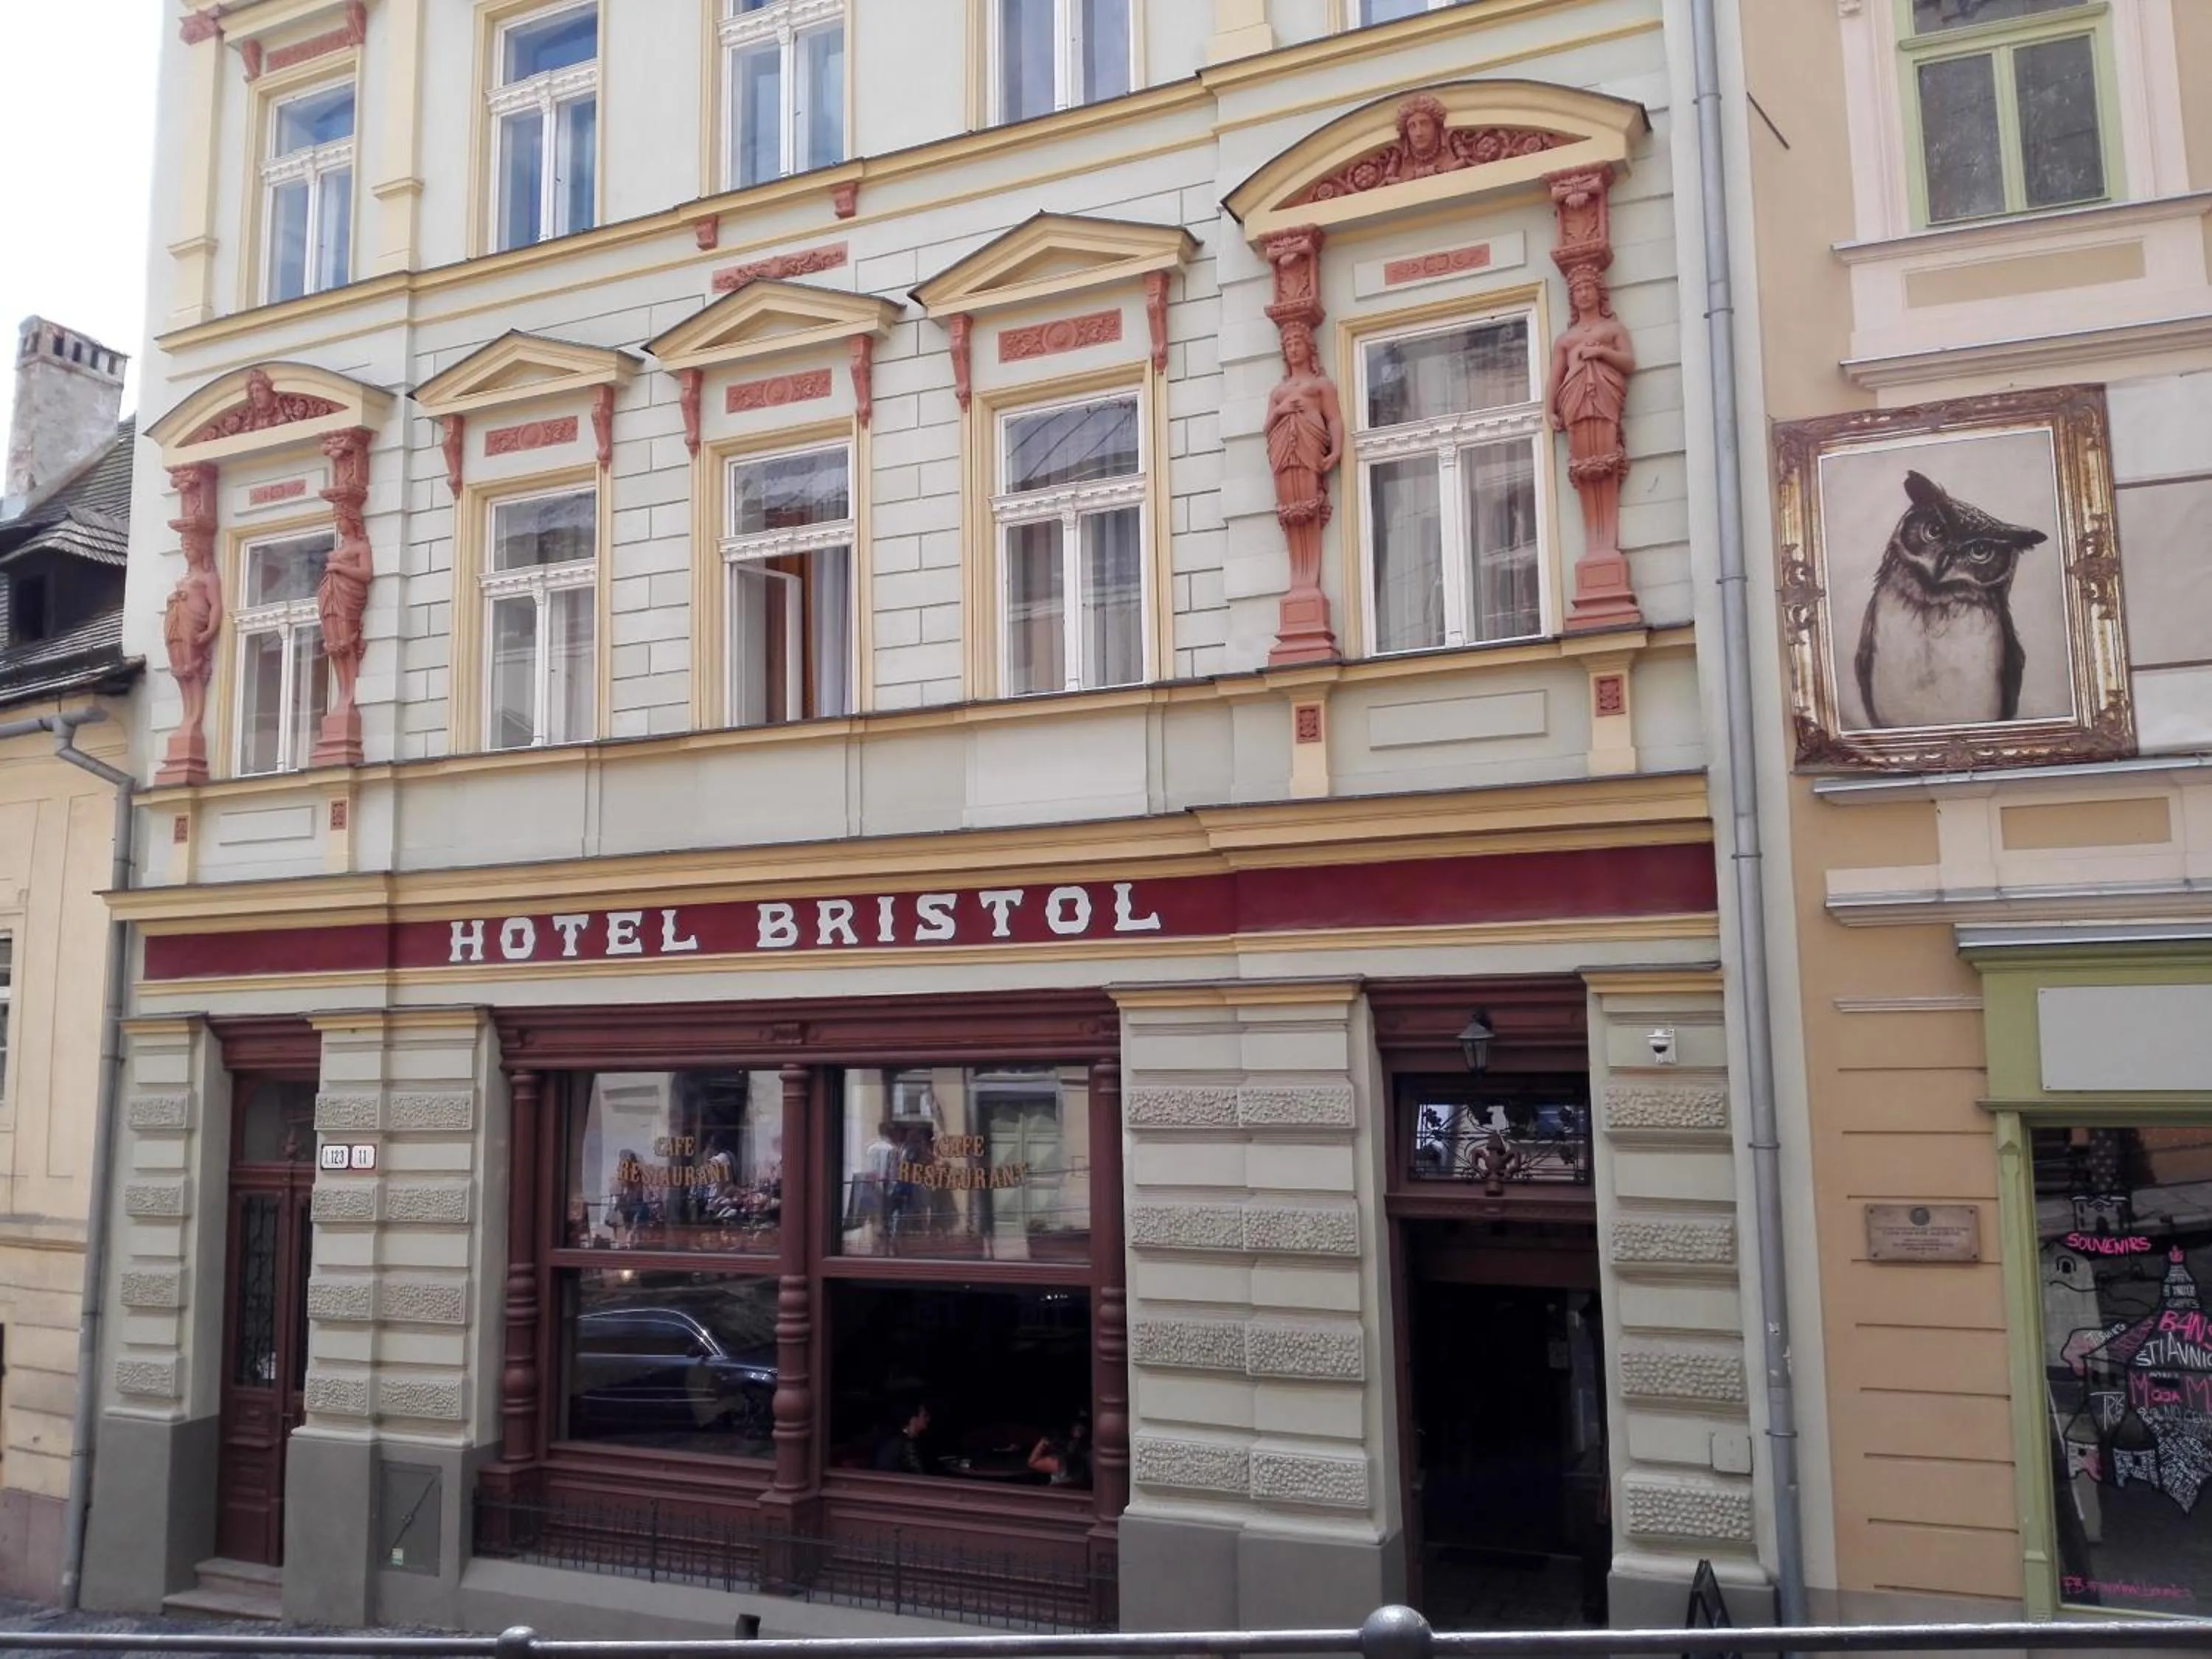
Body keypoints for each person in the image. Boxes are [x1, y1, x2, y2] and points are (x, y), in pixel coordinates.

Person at [1027, 1412, 1092, 1488]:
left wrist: (1044, 1441)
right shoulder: (1092, 1454)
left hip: (1061, 1493)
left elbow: (1032, 1462)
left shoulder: (1060, 1463)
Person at [873, 1402, 931, 1475]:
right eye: (924, 1416)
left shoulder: (900, 1441)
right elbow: (918, 1474)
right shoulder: (904, 1444)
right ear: (913, 1419)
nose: (928, 1419)